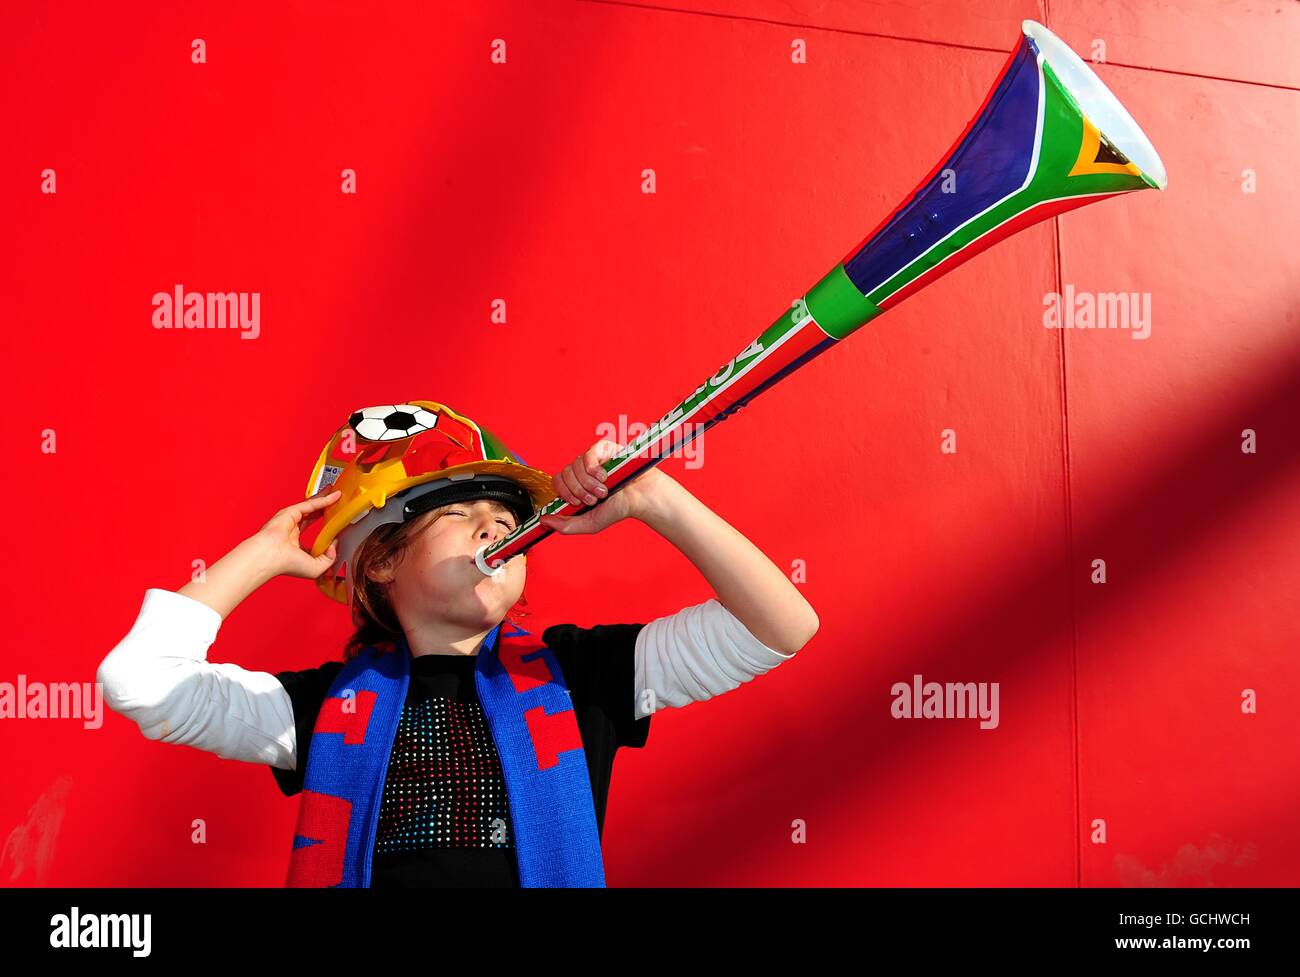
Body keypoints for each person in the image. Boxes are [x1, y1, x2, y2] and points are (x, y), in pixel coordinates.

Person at [97, 400, 818, 887]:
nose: (494, 528)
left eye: (505, 516)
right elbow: (140, 680)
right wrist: (264, 552)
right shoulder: (317, 709)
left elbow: (781, 626)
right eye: (459, 511)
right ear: (380, 560)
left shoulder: (583, 676)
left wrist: (655, 499)